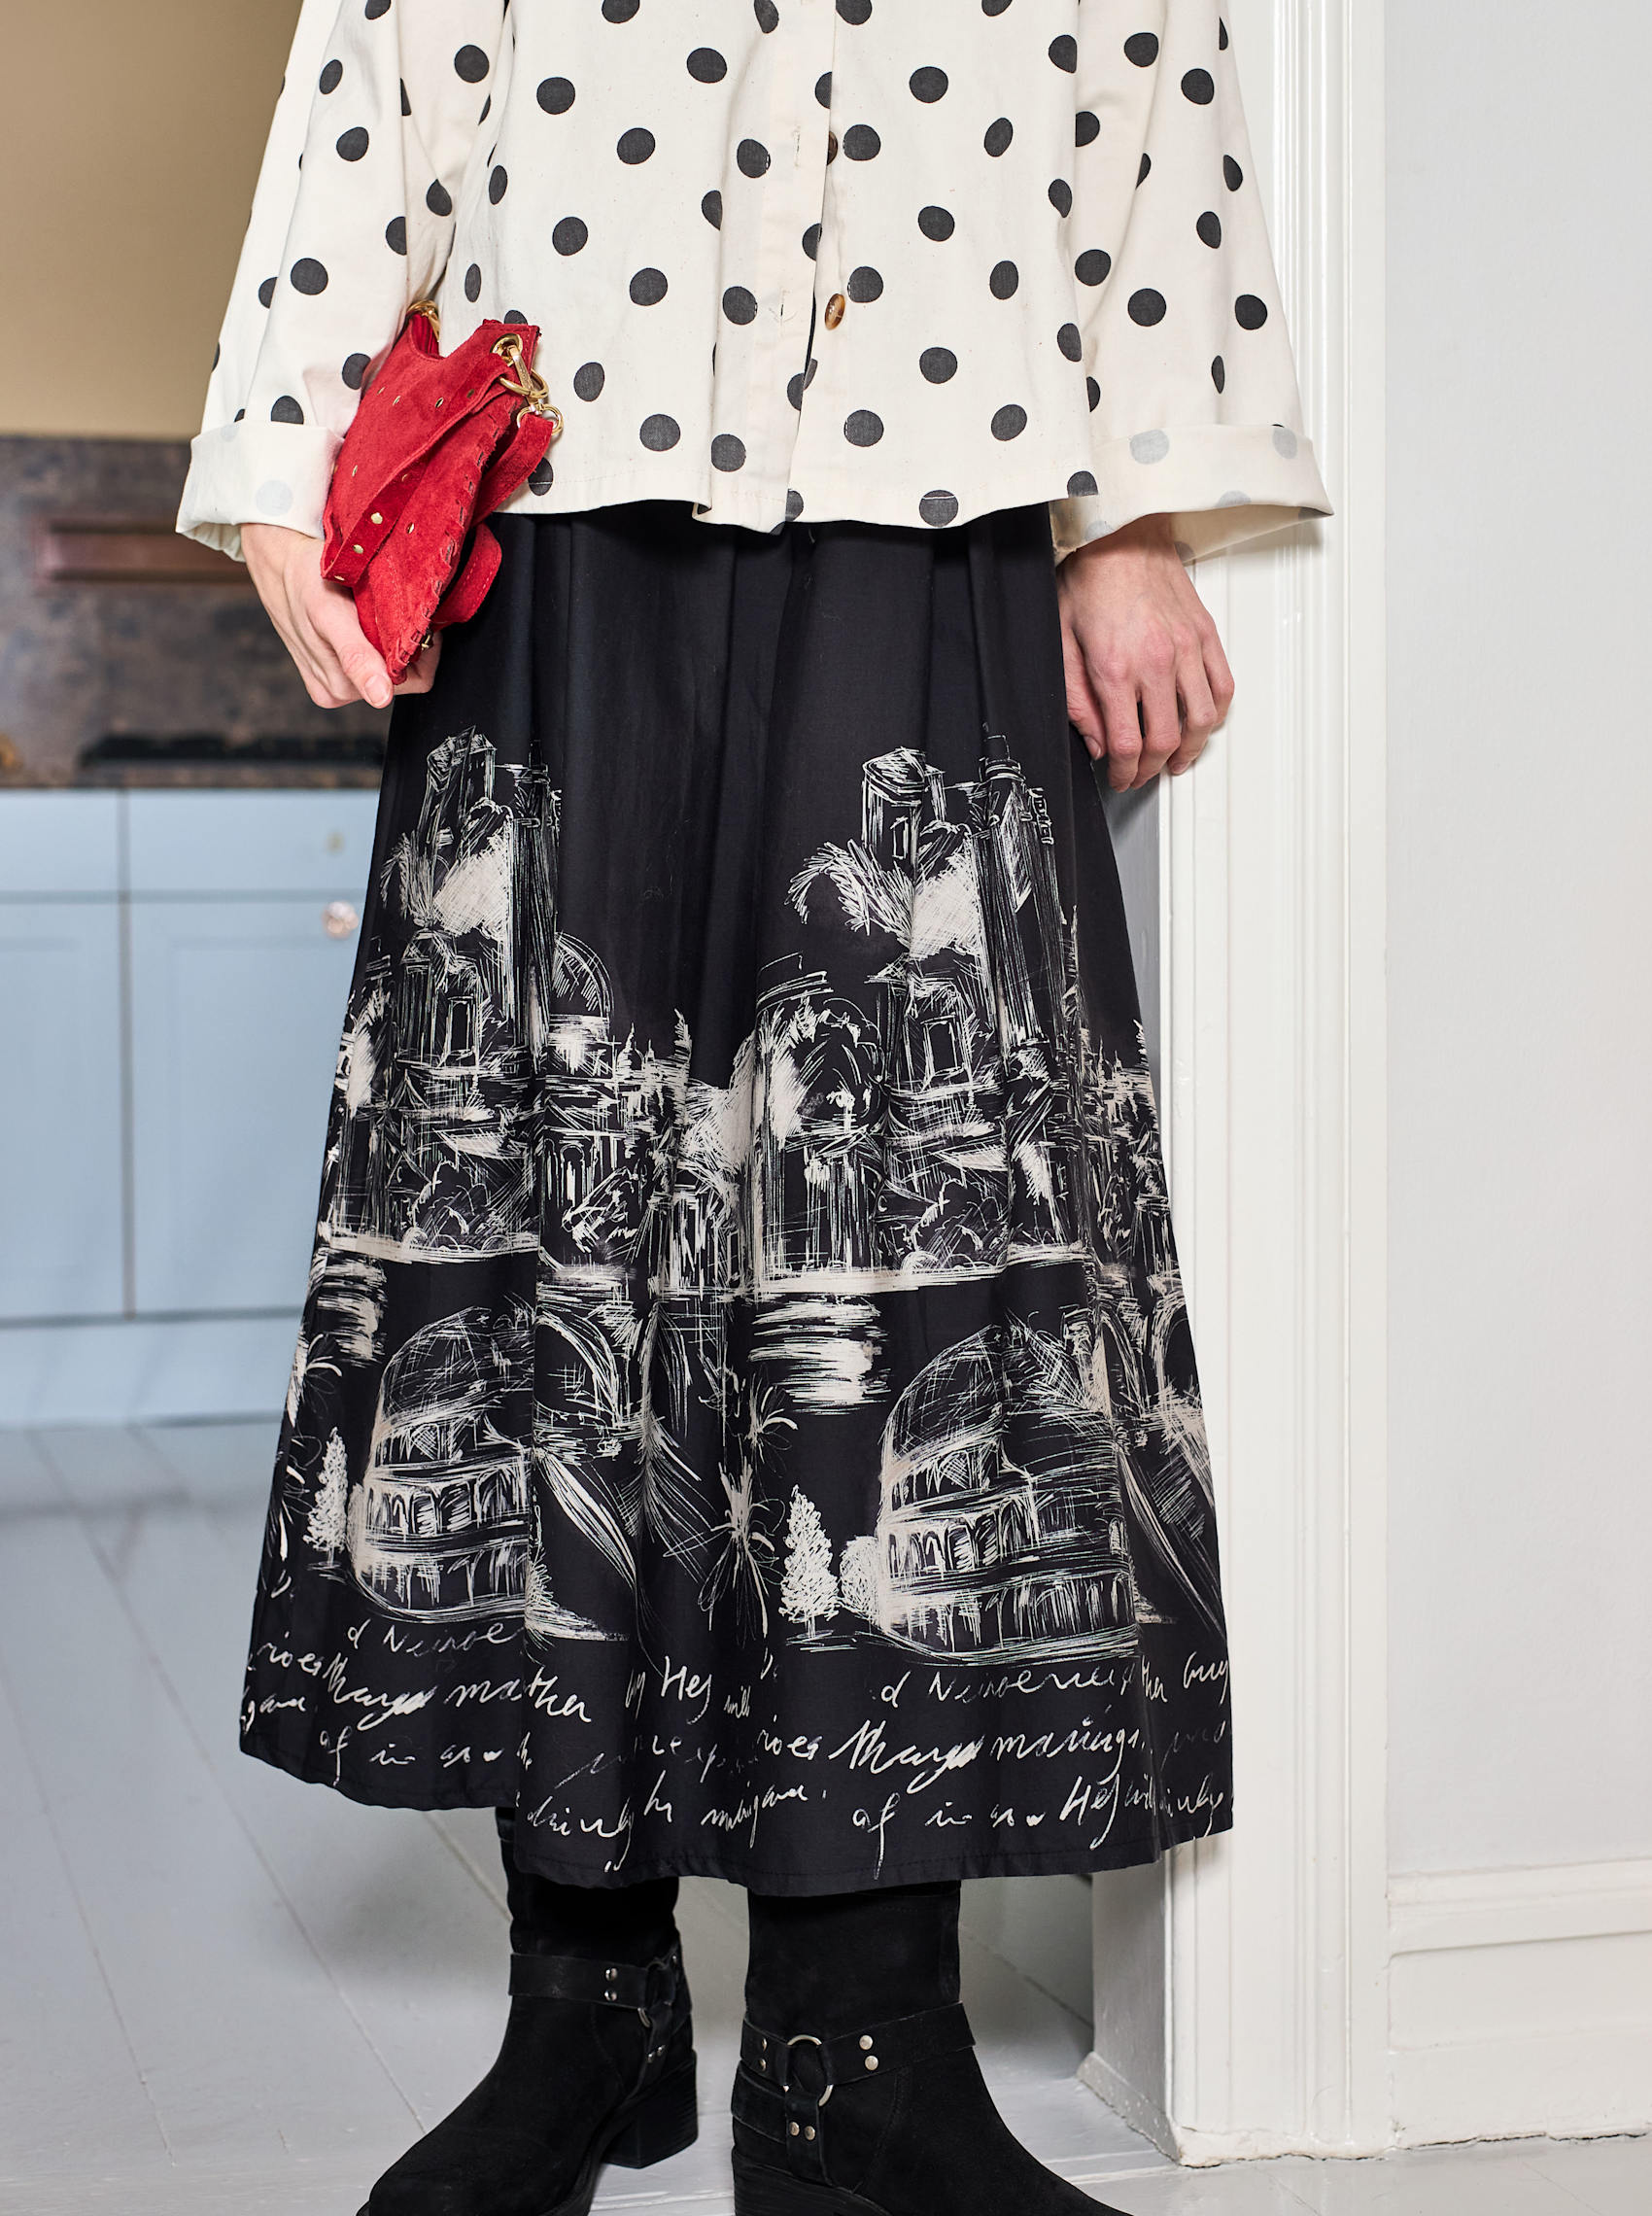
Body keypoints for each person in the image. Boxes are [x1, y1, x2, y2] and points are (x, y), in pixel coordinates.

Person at [180, 6, 1328, 2213]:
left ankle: (859, 2058)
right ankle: (587, 2011)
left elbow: (1143, 78)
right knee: (551, 1235)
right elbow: (374, 67)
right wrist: (288, 469)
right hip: (556, 515)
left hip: (944, 507)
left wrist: (1135, 514)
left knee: (918, 1259)